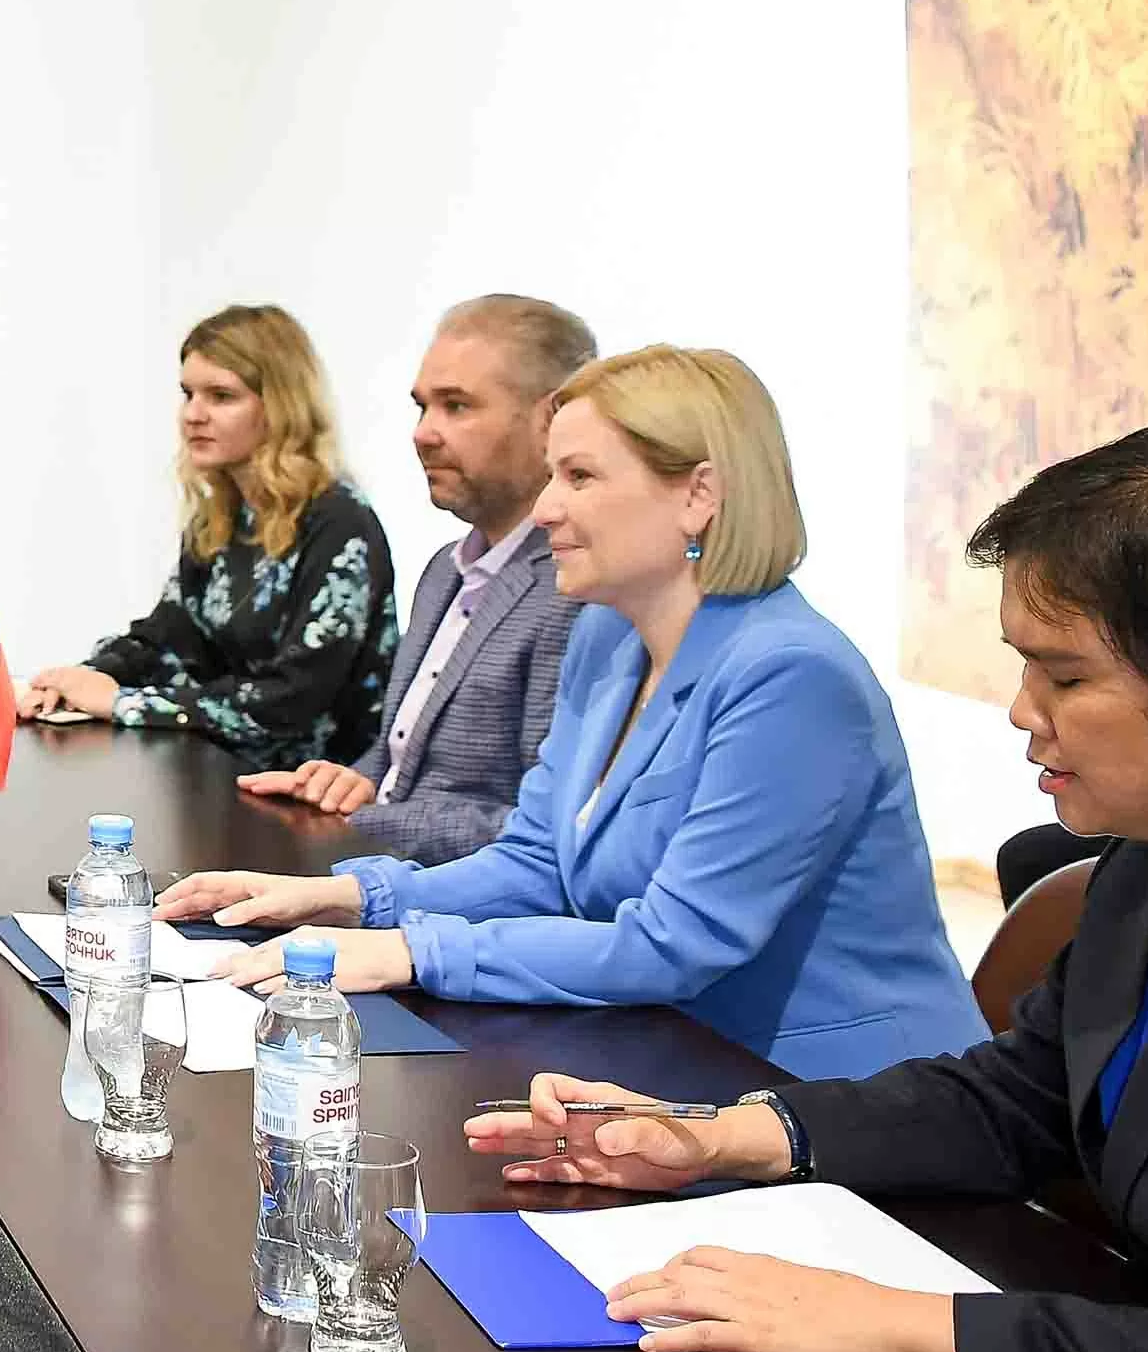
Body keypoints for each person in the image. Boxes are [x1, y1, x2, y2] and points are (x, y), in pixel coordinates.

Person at [469, 418, 1148, 1352]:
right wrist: (716, 1137)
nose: (1021, 713)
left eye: (1067, 678)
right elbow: (1015, 1100)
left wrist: (896, 1326)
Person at [169, 345, 982, 1080]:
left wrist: (407, 951)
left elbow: (673, 943)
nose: (547, 509)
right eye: (552, 475)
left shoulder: (792, 676)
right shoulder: (605, 637)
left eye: (580, 478)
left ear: (698, 495)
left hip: (837, 1097)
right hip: (667, 1057)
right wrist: (344, 899)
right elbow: (538, 863)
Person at [241, 295, 594, 860]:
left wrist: (364, 820)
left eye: (456, 406)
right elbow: (397, 763)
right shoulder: (443, 570)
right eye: (422, 407)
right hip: (376, 869)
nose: (424, 433)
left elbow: (537, 827)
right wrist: (343, 785)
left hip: (445, 899)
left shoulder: (575, 591)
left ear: (553, 420)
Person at [21, 304, 398, 769]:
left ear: (281, 407)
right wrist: (80, 680)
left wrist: (122, 703)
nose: (193, 415)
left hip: (314, 794)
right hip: (223, 773)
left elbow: (289, 702)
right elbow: (165, 641)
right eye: (188, 394)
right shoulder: (220, 518)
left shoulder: (339, 523)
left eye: (221, 396)